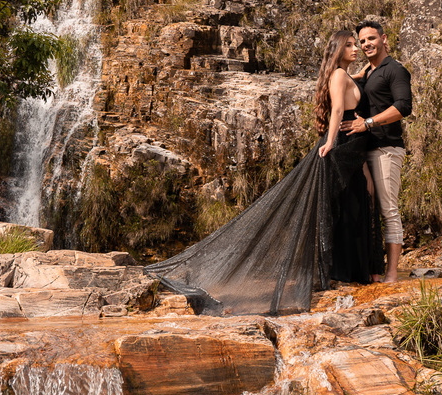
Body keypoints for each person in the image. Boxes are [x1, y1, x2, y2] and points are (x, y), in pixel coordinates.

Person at [146, 30, 380, 315]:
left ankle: (345, 271)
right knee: (346, 207)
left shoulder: (344, 74)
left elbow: (346, 102)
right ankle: (346, 271)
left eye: (357, 45)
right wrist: (330, 142)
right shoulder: (340, 76)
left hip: (350, 149)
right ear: (337, 50)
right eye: (349, 45)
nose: (355, 49)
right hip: (340, 147)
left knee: (343, 206)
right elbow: (337, 111)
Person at [345, 20, 412, 283]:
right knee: (367, 209)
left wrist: (369, 123)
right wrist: (360, 77)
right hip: (365, 149)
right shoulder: (370, 71)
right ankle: (370, 269)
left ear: (384, 39)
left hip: (386, 149)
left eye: (371, 39)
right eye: (362, 41)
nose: (366, 45)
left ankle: (392, 273)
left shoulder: (395, 70)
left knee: (388, 209)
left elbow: (403, 106)